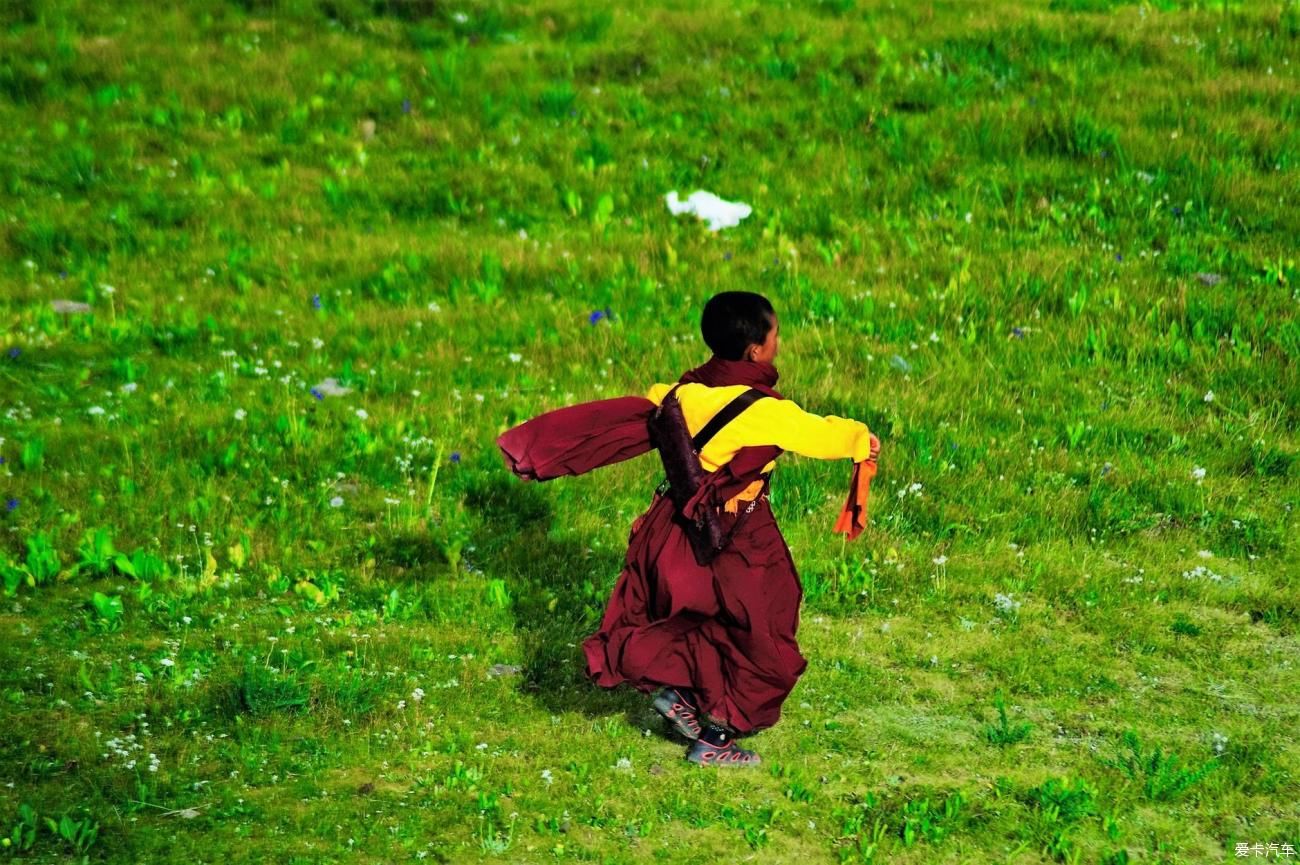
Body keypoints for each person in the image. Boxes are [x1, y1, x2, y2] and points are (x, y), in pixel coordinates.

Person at [496, 291, 879, 767]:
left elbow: (620, 419)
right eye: (776, 333)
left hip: (671, 531)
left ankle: (678, 694)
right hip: (737, 536)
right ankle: (716, 738)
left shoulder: (680, 394)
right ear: (756, 350)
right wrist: (862, 439)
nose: (779, 341)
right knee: (762, 630)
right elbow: (819, 433)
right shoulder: (764, 410)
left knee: (698, 619)